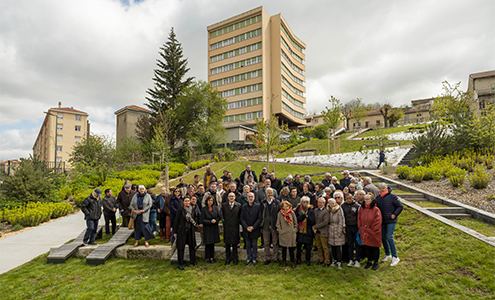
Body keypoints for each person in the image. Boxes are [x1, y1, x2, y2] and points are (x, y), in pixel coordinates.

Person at [375, 182, 403, 267]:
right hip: (382, 221)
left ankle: (395, 256)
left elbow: (400, 206)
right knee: (383, 237)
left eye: (383, 188)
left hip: (391, 220)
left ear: (386, 188)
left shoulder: (392, 196)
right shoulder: (378, 197)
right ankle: (388, 254)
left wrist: (394, 214)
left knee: (389, 237)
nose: (381, 190)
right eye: (380, 188)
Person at [358, 193, 382, 271]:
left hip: (373, 232)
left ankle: (375, 262)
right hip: (364, 231)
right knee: (367, 247)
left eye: (368, 199)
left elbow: (378, 221)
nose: (366, 201)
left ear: (372, 200)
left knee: (374, 247)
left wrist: (372, 230)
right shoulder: (362, 208)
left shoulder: (376, 209)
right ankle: (369, 261)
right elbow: (359, 218)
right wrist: (360, 228)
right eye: (365, 199)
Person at [174, 196, 199, 270]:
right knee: (181, 247)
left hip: (190, 231)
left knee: (192, 246)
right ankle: (180, 263)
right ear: (183, 202)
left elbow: (195, 219)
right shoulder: (180, 210)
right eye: (185, 201)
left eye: (188, 201)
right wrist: (175, 232)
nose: (187, 202)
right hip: (182, 231)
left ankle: (193, 261)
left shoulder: (192, 210)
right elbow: (176, 221)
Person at [241, 192, 262, 266]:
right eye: (249, 196)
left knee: (254, 245)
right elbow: (242, 218)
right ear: (247, 198)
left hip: (254, 229)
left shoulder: (258, 206)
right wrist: (246, 227)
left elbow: (259, 218)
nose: (250, 198)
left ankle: (254, 259)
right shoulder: (243, 207)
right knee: (248, 245)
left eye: (252, 196)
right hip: (246, 229)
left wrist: (253, 227)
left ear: (254, 197)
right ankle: (249, 258)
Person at [261, 188, 281, 265]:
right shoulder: (263, 202)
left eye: (271, 193)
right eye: (269, 193)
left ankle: (276, 258)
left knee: (275, 242)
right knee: (266, 243)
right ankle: (267, 258)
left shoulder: (277, 202)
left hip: (274, 224)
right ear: (266, 194)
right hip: (265, 225)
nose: (270, 194)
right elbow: (260, 214)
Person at [341, 192, 361, 268]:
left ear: (352, 198)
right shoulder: (343, 206)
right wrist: (343, 226)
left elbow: (359, 217)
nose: (348, 200)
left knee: (357, 243)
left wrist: (359, 227)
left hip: (356, 227)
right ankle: (351, 260)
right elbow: (342, 217)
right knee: (349, 243)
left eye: (350, 198)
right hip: (348, 227)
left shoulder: (357, 206)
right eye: (347, 199)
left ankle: (357, 260)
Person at [222, 192, 242, 265]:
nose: (231, 198)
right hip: (227, 227)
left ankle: (235, 259)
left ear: (235, 197)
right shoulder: (224, 205)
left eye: (232, 196)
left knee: (234, 245)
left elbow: (240, 216)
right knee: (227, 245)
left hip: (235, 227)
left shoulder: (239, 205)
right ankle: (227, 259)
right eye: (230, 196)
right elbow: (223, 215)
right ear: (227, 197)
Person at [277, 200, 298, 269]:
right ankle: (284, 261)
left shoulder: (292, 213)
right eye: (284, 206)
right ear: (282, 207)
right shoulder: (280, 213)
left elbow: (295, 223)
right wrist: (280, 231)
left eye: (287, 206)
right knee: (284, 249)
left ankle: (292, 262)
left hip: (291, 234)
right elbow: (278, 224)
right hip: (283, 234)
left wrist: (294, 230)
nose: (286, 207)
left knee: (291, 249)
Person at [294, 196, 315, 266]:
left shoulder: (311, 211)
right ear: (301, 202)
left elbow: (312, 221)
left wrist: (307, 217)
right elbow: (296, 219)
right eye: (304, 202)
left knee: (308, 247)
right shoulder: (298, 209)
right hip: (300, 230)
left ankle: (308, 260)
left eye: (307, 202)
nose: (305, 204)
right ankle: (298, 260)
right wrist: (303, 216)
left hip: (308, 231)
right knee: (299, 246)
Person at [201, 195, 221, 264]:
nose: (210, 202)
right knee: (207, 244)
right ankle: (207, 258)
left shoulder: (215, 208)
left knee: (212, 244)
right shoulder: (204, 209)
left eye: (211, 200)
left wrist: (215, 220)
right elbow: (202, 219)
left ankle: (212, 258)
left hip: (214, 228)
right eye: (209, 200)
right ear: (207, 201)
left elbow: (219, 217)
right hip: (207, 228)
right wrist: (210, 221)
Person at [327, 198, 345, 269]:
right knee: (332, 246)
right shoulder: (328, 210)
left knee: (338, 247)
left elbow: (341, 220)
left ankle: (339, 261)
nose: (331, 205)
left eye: (332, 203)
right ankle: (334, 260)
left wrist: (339, 231)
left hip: (337, 228)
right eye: (330, 203)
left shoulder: (339, 209)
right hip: (331, 229)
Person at [313, 197, 330, 266]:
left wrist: (315, 227)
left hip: (323, 232)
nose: (319, 204)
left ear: (324, 203)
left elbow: (325, 222)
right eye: (318, 202)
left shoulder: (326, 211)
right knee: (319, 247)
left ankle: (327, 261)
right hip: (316, 232)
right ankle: (321, 260)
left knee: (325, 247)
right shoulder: (315, 210)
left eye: (321, 202)